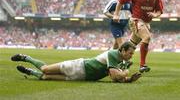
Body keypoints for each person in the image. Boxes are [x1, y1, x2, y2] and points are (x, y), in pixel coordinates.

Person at [11, 42, 141, 83]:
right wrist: (126, 72)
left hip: (82, 77)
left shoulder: (119, 61)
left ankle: (29, 71)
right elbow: (115, 76)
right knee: (45, 69)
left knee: (47, 77)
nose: (131, 56)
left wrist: (129, 79)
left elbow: (116, 79)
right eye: (130, 53)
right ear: (122, 50)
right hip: (79, 66)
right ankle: (26, 57)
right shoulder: (113, 54)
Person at [113, 0, 163, 73]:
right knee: (147, 37)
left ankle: (119, 61)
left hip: (146, 23)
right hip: (136, 20)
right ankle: (142, 65)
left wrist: (155, 14)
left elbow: (159, 11)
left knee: (130, 45)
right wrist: (116, 14)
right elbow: (121, 1)